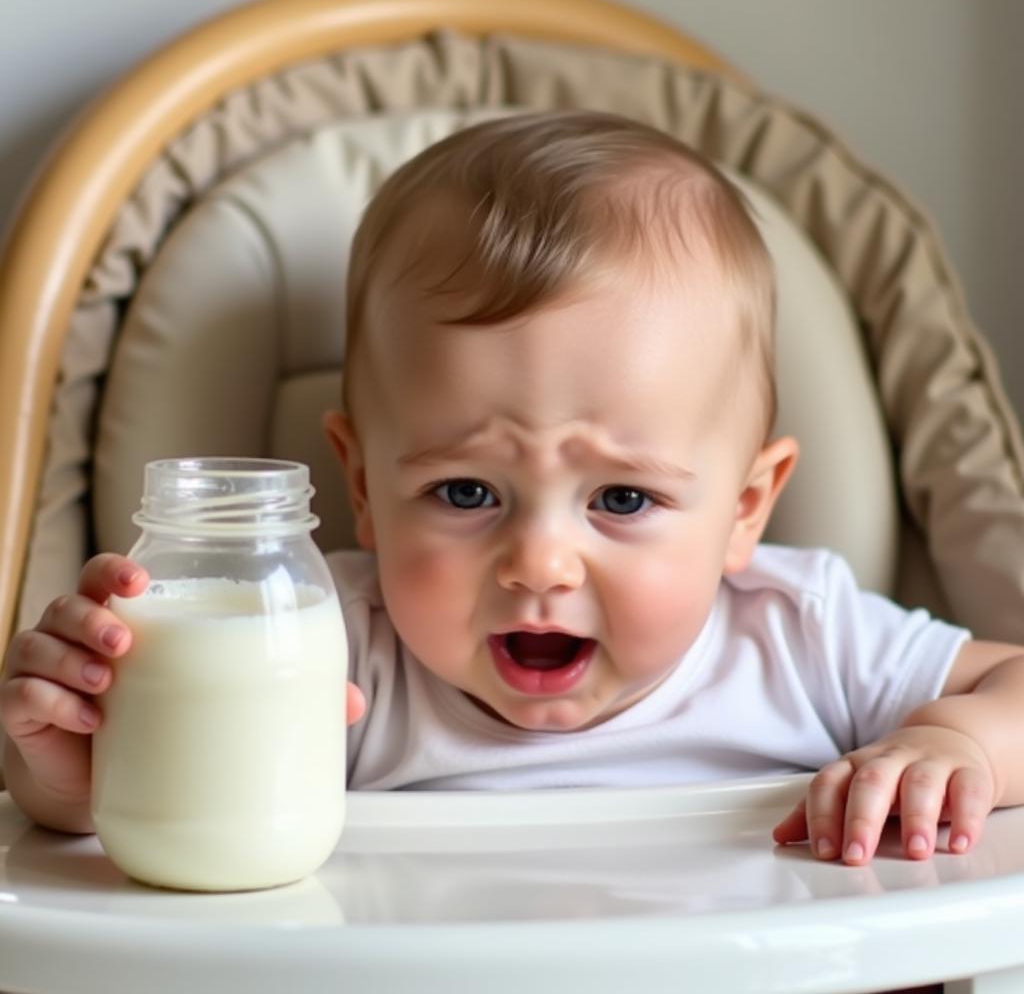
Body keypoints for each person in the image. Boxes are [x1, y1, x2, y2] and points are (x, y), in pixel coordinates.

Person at [2, 110, 1023, 869]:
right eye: (463, 492)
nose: (539, 562)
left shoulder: (803, 641)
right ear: (360, 483)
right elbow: (145, 832)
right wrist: (76, 773)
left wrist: (948, 742)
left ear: (746, 508)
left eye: (621, 499)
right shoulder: (318, 653)